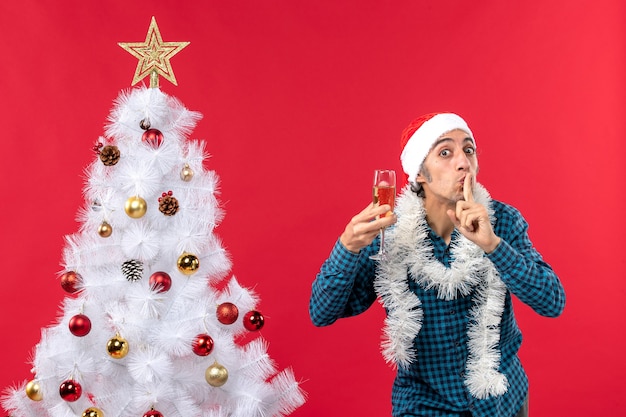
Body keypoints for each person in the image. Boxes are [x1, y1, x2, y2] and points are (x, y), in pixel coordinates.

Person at [309, 112, 566, 417]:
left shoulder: (503, 221)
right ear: (419, 173)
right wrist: (347, 249)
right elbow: (321, 314)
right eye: (446, 152)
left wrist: (492, 245)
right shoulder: (387, 233)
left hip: (501, 402)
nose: (463, 162)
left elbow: (553, 302)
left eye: (468, 150)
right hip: (424, 406)